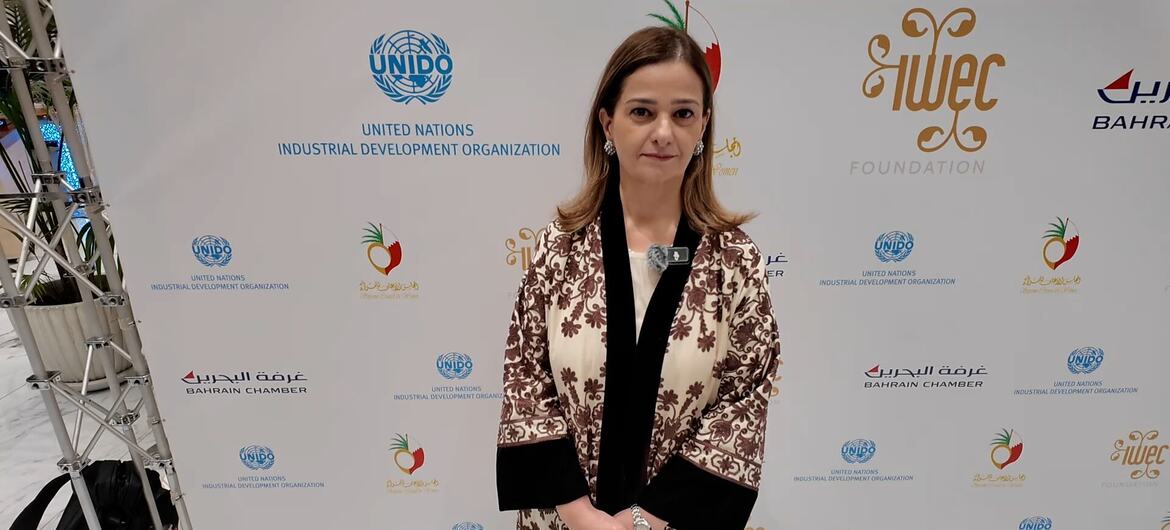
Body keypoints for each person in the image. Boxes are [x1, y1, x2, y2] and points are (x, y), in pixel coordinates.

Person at [495, 26, 781, 530]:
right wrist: (583, 517)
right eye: (642, 111)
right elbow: (526, 378)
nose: (664, 132)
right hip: (562, 522)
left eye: (683, 113)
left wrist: (640, 523)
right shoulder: (558, 248)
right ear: (608, 122)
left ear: (703, 126)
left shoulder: (734, 261)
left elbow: (744, 397)